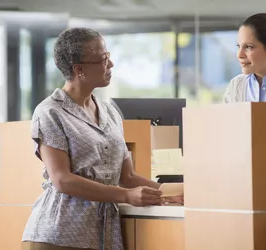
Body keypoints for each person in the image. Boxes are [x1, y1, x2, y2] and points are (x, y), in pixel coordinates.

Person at [21, 27, 183, 250]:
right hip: (58, 234)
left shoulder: (110, 112)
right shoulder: (50, 112)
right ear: (79, 69)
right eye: (103, 58)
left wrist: (170, 191)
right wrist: (126, 196)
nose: (111, 64)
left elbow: (128, 177)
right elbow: (62, 180)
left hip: (102, 236)